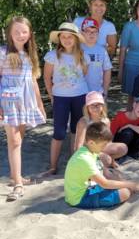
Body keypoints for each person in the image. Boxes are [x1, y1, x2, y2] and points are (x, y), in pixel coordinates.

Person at [1, 16, 46, 201]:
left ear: (30, 34)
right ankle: (18, 184)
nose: (20, 35)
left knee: (19, 139)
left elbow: (33, 81)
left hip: (25, 102)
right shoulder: (3, 53)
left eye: (24, 32)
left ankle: (15, 177)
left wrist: (40, 104)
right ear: (9, 34)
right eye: (16, 31)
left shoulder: (29, 55)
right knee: (15, 141)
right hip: (8, 102)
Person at [64, 121, 139, 209]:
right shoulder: (84, 159)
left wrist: (123, 181)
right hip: (80, 198)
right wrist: (131, 185)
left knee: (116, 176)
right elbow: (105, 184)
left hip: (90, 186)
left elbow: (104, 172)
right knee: (125, 193)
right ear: (91, 143)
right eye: (103, 145)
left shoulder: (90, 151)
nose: (105, 148)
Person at [44, 22, 89, 175]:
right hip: (60, 98)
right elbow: (46, 77)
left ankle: (74, 161)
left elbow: (85, 74)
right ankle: (53, 166)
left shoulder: (83, 56)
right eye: (64, 37)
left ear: (76, 39)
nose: (67, 39)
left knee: (77, 130)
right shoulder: (52, 56)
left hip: (80, 96)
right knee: (59, 132)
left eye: (70, 37)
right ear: (59, 38)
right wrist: (51, 95)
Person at [74, 91, 127, 168]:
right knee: (106, 160)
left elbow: (108, 140)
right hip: (88, 150)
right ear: (87, 107)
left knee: (123, 148)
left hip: (101, 147)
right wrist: (80, 160)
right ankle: (97, 164)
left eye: (98, 105)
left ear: (103, 106)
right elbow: (79, 145)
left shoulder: (106, 121)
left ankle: (107, 160)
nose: (95, 108)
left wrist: (110, 158)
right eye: (92, 105)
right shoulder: (84, 122)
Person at [80, 17, 112, 96]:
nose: (91, 34)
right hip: (79, 92)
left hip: (97, 92)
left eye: (94, 31)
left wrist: (105, 91)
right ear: (82, 33)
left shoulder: (102, 50)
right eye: (88, 31)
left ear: (98, 34)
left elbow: (107, 70)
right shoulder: (77, 49)